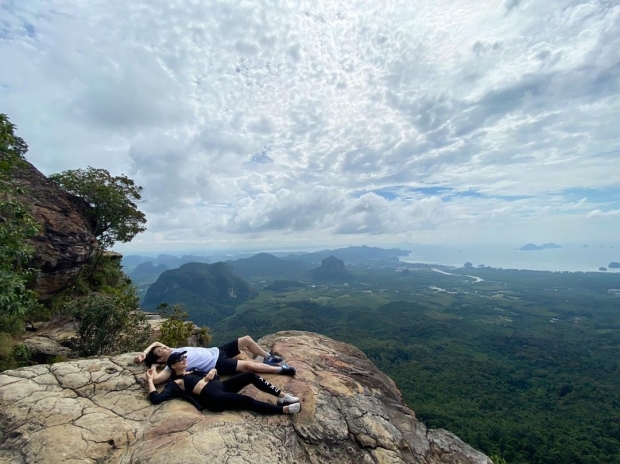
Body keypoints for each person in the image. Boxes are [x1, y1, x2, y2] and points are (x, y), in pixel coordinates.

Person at [146, 351, 301, 415]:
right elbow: (156, 398)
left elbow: (216, 377)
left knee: (250, 376)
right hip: (214, 398)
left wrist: (213, 373)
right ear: (173, 366)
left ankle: (283, 396)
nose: (184, 359)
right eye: (180, 359)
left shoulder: (193, 371)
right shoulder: (176, 382)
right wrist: (149, 379)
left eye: (184, 357)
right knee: (247, 401)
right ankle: (285, 410)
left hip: (221, 387)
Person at [134, 335, 296, 385]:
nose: (164, 347)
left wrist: (144, 353)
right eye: (161, 351)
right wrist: (154, 365)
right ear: (161, 358)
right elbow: (155, 380)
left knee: (246, 339)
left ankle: (268, 357)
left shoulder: (173, 351)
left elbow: (155, 343)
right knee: (248, 365)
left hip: (218, 350)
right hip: (218, 364)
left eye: (163, 347)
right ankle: (281, 369)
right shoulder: (172, 365)